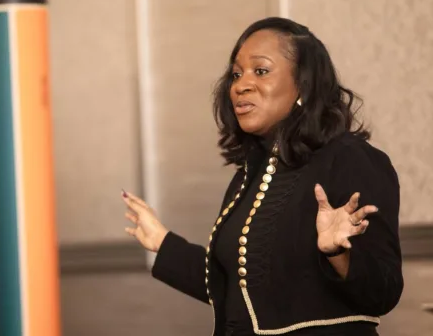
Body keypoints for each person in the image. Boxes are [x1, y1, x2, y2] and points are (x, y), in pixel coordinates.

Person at [121, 17, 402, 336]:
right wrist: (162, 242)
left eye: (261, 70)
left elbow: (384, 293)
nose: (240, 85)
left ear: (304, 83)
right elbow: (239, 290)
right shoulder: (250, 174)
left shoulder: (351, 159)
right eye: (237, 74)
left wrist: (337, 252)